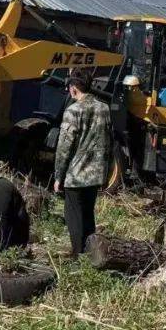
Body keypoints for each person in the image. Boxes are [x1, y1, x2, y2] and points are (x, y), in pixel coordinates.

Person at [53, 69, 113, 257]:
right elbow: (109, 142)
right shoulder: (104, 108)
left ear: (74, 87)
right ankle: (91, 251)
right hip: (96, 174)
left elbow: (64, 147)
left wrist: (58, 176)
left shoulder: (73, 111)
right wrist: (106, 172)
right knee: (88, 215)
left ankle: (78, 254)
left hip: (76, 174)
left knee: (73, 216)